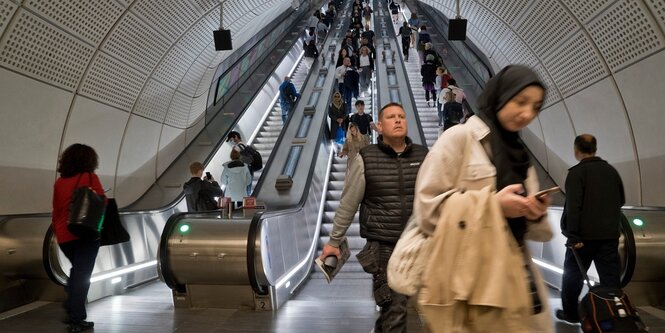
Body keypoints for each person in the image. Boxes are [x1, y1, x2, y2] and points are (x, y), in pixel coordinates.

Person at [413, 65, 554, 332]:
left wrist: (534, 212)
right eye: (520, 102)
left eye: (536, 107)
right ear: (500, 95)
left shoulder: (520, 155)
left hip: (517, 278)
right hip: (470, 284)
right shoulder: (459, 139)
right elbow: (427, 211)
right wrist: (492, 205)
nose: (527, 114)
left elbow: (529, 231)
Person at [320, 103, 429, 333]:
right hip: (384, 247)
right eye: (391, 117)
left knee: (393, 310)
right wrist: (333, 242)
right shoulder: (366, 158)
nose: (398, 120)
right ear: (379, 126)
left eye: (401, 116)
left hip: (418, 243)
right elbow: (348, 204)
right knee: (396, 308)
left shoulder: (423, 155)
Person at [556, 134, 625, 324]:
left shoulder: (577, 173)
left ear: (576, 150)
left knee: (572, 277)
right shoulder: (612, 171)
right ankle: (615, 315)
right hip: (609, 237)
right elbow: (621, 201)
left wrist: (573, 236)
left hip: (582, 239)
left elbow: (574, 207)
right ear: (595, 149)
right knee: (611, 280)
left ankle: (571, 314)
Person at [52, 143, 105, 332]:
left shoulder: (59, 182)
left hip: (65, 235)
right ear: (90, 160)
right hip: (86, 234)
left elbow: (57, 210)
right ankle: (76, 318)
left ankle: (71, 304)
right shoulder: (90, 177)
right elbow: (101, 203)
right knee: (83, 275)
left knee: (78, 270)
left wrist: (58, 232)